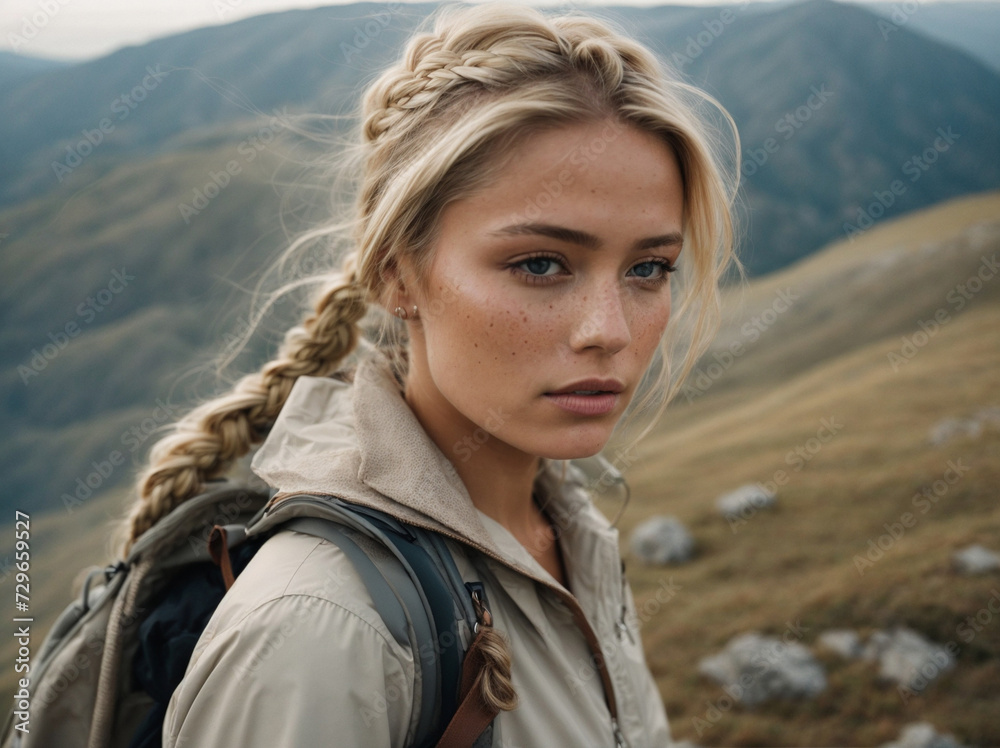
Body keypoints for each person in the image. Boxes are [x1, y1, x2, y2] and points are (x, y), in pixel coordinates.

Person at [117, 2, 738, 745]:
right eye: (539, 264)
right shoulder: (321, 630)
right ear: (397, 275)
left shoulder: (566, 527)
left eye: (648, 268)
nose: (608, 330)